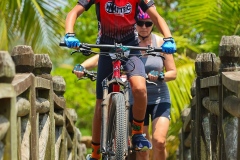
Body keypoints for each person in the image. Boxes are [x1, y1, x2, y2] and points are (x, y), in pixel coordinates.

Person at [64, 1, 176, 160]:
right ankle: (95, 153)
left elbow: (156, 17)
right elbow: (73, 12)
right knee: (99, 102)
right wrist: (69, 34)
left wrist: (169, 38)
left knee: (140, 89)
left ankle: (137, 133)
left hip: (130, 47)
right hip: (106, 46)